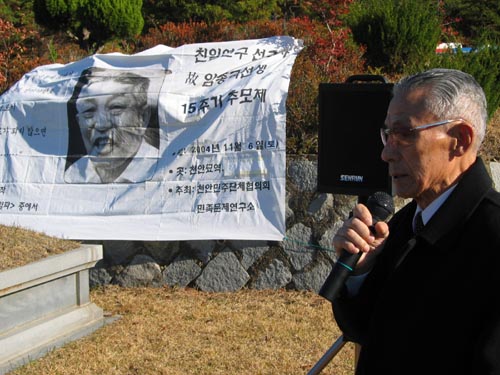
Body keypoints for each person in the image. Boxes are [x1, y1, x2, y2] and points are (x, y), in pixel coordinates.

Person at [331, 68, 500, 374]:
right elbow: (362, 331)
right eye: (386, 135)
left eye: (404, 135)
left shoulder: (492, 237)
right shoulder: (401, 225)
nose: (386, 153)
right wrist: (360, 274)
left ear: (460, 140)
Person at [64, 67, 161, 183]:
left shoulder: (162, 167)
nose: (101, 125)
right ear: (79, 121)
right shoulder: (74, 173)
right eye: (89, 110)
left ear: (143, 117)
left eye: (116, 107)